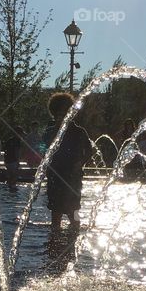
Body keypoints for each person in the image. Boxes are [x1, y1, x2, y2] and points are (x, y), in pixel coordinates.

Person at [44, 92, 91, 231]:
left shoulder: (78, 131)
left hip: (73, 176)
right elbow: (42, 149)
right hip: (55, 175)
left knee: (74, 210)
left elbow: (89, 151)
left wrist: (80, 163)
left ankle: (75, 231)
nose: (60, 117)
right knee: (55, 210)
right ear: (53, 114)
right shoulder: (51, 132)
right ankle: (55, 235)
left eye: (64, 113)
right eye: (57, 114)